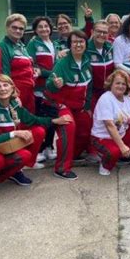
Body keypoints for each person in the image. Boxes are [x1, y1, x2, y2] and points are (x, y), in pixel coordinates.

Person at [0, 75, 72, 191]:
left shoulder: (14, 104)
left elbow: (33, 120)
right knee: (21, 155)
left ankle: (16, 171)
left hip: (12, 146)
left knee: (39, 132)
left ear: (12, 87)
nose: (3, 89)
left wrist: (55, 121)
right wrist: (14, 134)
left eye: (5, 85)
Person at [45, 30, 93, 180]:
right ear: (70, 45)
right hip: (60, 103)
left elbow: (89, 87)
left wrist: (88, 106)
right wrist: (55, 84)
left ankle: (74, 155)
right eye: (74, 42)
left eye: (81, 41)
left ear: (85, 44)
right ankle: (61, 168)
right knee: (68, 125)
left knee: (86, 125)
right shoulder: (62, 63)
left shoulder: (87, 60)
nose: (78, 44)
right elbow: (49, 85)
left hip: (79, 104)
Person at [27, 16, 59, 162]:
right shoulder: (33, 44)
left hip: (52, 90)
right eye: (40, 27)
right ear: (35, 30)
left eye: (46, 26)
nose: (44, 29)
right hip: (39, 89)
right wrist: (49, 73)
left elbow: (58, 66)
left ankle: (49, 147)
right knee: (41, 119)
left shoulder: (54, 44)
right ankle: (38, 149)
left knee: (52, 118)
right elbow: (33, 67)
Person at [0, 14, 38, 113]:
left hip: (29, 94)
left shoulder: (21, 46)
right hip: (16, 94)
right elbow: (4, 75)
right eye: (14, 27)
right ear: (7, 27)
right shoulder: (3, 46)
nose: (18, 31)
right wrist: (13, 96)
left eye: (21, 28)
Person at [86, 20, 115, 109]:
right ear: (92, 32)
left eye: (105, 32)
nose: (102, 35)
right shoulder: (85, 49)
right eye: (99, 31)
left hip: (109, 92)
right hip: (91, 93)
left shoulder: (111, 48)